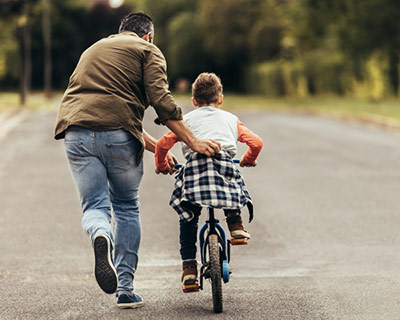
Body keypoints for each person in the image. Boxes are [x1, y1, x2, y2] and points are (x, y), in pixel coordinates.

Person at [54, 13, 221, 308]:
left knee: (95, 207)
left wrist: (159, 148)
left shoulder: (93, 50)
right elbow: (161, 100)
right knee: (126, 206)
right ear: (149, 36)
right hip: (118, 137)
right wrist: (193, 141)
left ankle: (101, 234)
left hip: (75, 132)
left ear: (121, 32)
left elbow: (111, 111)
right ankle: (125, 290)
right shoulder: (148, 50)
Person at [155, 72, 263, 291]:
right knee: (232, 181)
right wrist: (248, 159)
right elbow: (256, 143)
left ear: (194, 101)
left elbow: (161, 145)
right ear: (220, 98)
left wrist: (161, 165)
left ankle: (189, 271)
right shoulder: (231, 119)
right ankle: (236, 225)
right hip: (223, 169)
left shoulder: (184, 122)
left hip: (195, 174)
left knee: (189, 217)